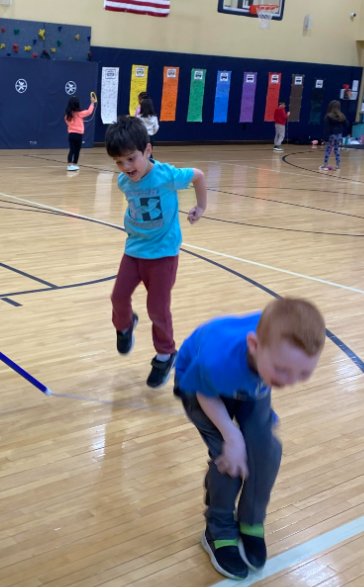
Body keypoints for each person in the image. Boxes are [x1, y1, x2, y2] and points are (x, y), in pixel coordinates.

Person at [174, 298, 325, 580]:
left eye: (303, 373)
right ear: (254, 346)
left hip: (250, 380)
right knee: (230, 458)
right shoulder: (217, 361)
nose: (290, 382)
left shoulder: (277, 348)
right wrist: (231, 435)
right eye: (283, 370)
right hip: (202, 389)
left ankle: (250, 521)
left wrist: (256, 431)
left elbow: (276, 372)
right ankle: (218, 529)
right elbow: (206, 394)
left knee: (266, 451)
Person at [105, 117, 207, 387]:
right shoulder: (124, 182)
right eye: (118, 162)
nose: (126, 167)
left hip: (163, 254)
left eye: (131, 159)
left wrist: (201, 206)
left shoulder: (167, 175)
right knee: (118, 297)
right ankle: (125, 325)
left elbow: (198, 175)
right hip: (134, 249)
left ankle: (165, 353)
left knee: (157, 308)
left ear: (147, 150)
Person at [64, 95, 95, 171]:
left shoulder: (68, 115)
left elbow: (68, 122)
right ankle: (75, 164)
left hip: (71, 134)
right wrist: (92, 103)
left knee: (72, 150)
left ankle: (69, 164)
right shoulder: (79, 113)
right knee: (77, 150)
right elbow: (89, 112)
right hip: (79, 134)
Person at [320, 100, 350, 171]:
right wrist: (340, 127)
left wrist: (325, 139)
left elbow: (327, 128)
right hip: (339, 135)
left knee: (328, 150)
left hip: (331, 135)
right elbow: (347, 124)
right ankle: (338, 166)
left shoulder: (328, 116)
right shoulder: (342, 116)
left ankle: (325, 165)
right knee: (336, 150)